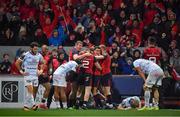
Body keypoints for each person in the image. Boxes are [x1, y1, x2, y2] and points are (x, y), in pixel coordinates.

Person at [15, 42, 45, 111]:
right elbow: (17, 63)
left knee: (31, 92)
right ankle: (34, 105)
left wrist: (41, 70)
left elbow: (43, 63)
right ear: (31, 48)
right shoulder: (25, 55)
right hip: (27, 74)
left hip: (35, 75)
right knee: (30, 89)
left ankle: (25, 106)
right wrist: (21, 71)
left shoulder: (39, 55)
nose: (36, 50)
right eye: (34, 49)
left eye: (37, 49)